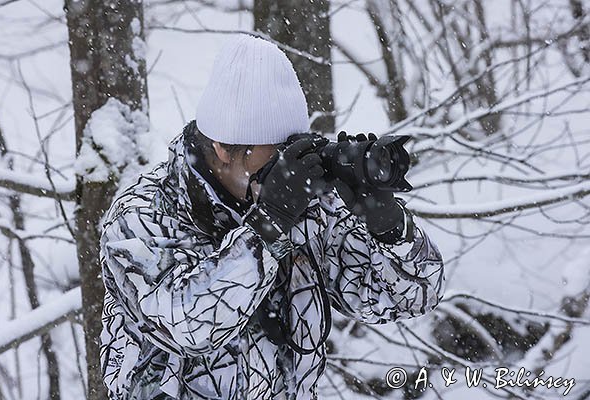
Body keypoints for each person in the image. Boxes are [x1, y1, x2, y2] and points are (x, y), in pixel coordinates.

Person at [99, 34, 445, 400]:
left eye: (290, 152)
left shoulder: (304, 206)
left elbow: (412, 297)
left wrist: (387, 223)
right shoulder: (142, 214)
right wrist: (267, 225)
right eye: (272, 158)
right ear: (222, 148)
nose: (285, 172)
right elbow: (185, 324)